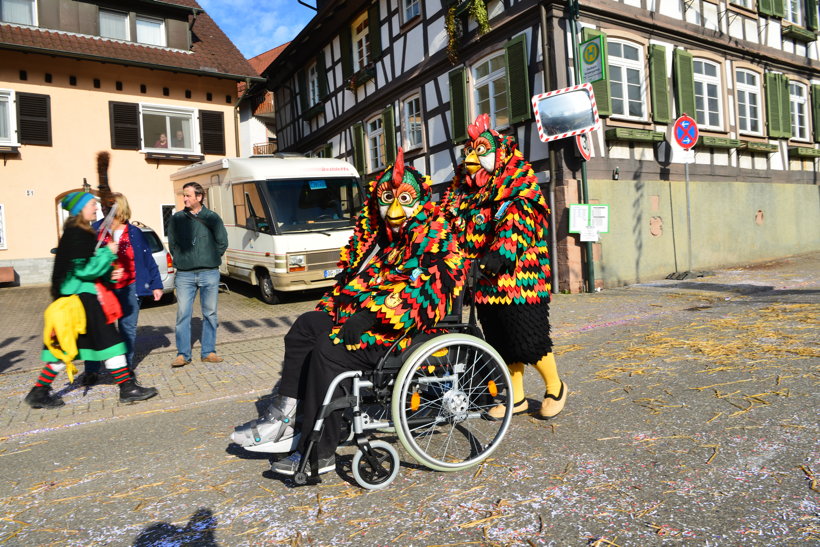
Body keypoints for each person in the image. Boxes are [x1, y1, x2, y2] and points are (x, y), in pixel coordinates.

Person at [231, 149, 464, 478]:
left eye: (404, 199)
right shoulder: (387, 244)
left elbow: (429, 294)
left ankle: (319, 451)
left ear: (421, 201)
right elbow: (360, 283)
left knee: (329, 351)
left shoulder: (439, 240)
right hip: (370, 321)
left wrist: (371, 316)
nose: (394, 210)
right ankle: (285, 419)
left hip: (406, 333)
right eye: (387, 198)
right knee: (306, 327)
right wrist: (336, 306)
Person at [443, 113, 566, 419]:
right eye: (469, 151)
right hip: (484, 282)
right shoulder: (465, 194)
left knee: (528, 338)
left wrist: (499, 255)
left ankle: (555, 386)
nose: (472, 157)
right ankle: (518, 397)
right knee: (499, 341)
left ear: (501, 155)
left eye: (480, 150)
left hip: (519, 280)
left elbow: (518, 224)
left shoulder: (517, 185)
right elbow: (451, 227)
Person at [24, 191, 158, 408]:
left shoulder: (77, 232)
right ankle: (127, 388)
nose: (96, 209)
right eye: (91, 206)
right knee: (111, 343)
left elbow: (85, 268)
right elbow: (84, 270)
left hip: (79, 300)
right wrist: (108, 253)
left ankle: (39, 392)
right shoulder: (78, 234)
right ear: (80, 209)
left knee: (67, 347)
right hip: (82, 302)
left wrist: (107, 272)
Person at [83, 193, 164, 384]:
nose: (103, 209)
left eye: (108, 206)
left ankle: (125, 369)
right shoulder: (96, 230)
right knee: (98, 329)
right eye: (103, 206)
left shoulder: (134, 232)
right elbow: (88, 259)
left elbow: (147, 259)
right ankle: (91, 370)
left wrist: (156, 285)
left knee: (128, 329)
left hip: (130, 287)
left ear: (119, 208)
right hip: (103, 289)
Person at [167, 182, 228, 367]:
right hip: (184, 275)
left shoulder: (212, 217)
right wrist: (181, 259)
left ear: (199, 197)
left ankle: (208, 352)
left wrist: (210, 257)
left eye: (188, 195)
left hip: (209, 272)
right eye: (183, 196)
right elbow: (172, 243)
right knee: (183, 314)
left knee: (210, 314)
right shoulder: (177, 218)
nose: (184, 199)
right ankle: (183, 354)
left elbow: (222, 242)